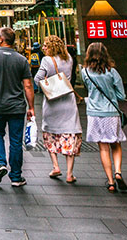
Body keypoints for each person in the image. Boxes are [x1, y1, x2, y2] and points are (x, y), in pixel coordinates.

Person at [0, 27, 34, 187]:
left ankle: (0, 163)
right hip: (17, 106)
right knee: (16, 141)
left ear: (2, 39)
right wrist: (31, 107)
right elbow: (28, 85)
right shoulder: (21, 59)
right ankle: (16, 177)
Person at [34, 35, 82, 184]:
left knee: (50, 134)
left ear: (51, 47)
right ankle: (69, 173)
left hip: (52, 101)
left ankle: (55, 166)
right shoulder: (69, 58)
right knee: (69, 134)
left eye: (45, 46)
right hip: (68, 99)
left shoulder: (47, 60)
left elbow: (37, 79)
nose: (43, 48)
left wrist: (48, 83)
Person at [81, 42, 127, 193]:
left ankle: (110, 181)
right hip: (111, 113)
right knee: (115, 144)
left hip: (94, 114)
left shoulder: (85, 72)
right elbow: (122, 96)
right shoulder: (112, 72)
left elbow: (89, 90)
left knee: (103, 148)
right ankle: (118, 172)